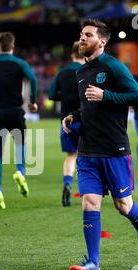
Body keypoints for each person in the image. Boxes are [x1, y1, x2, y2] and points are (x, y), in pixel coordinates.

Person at [62, 19, 138, 270]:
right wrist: (74, 116)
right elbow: (88, 106)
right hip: (88, 150)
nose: (82, 38)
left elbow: (137, 96)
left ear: (101, 41)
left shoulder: (114, 67)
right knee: (89, 203)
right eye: (81, 34)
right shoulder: (80, 73)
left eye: (87, 35)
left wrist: (107, 96)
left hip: (114, 149)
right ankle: (93, 263)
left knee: (123, 206)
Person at [0, 32, 38, 209]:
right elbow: (33, 78)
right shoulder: (19, 63)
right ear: (13, 46)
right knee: (20, 144)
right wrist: (32, 101)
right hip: (15, 112)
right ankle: (20, 171)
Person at [49, 41, 85, 206]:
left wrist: (64, 96)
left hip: (66, 122)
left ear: (71, 54)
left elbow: (51, 95)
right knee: (87, 157)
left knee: (71, 156)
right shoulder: (87, 71)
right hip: (86, 121)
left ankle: (67, 184)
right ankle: (87, 192)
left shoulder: (62, 73)